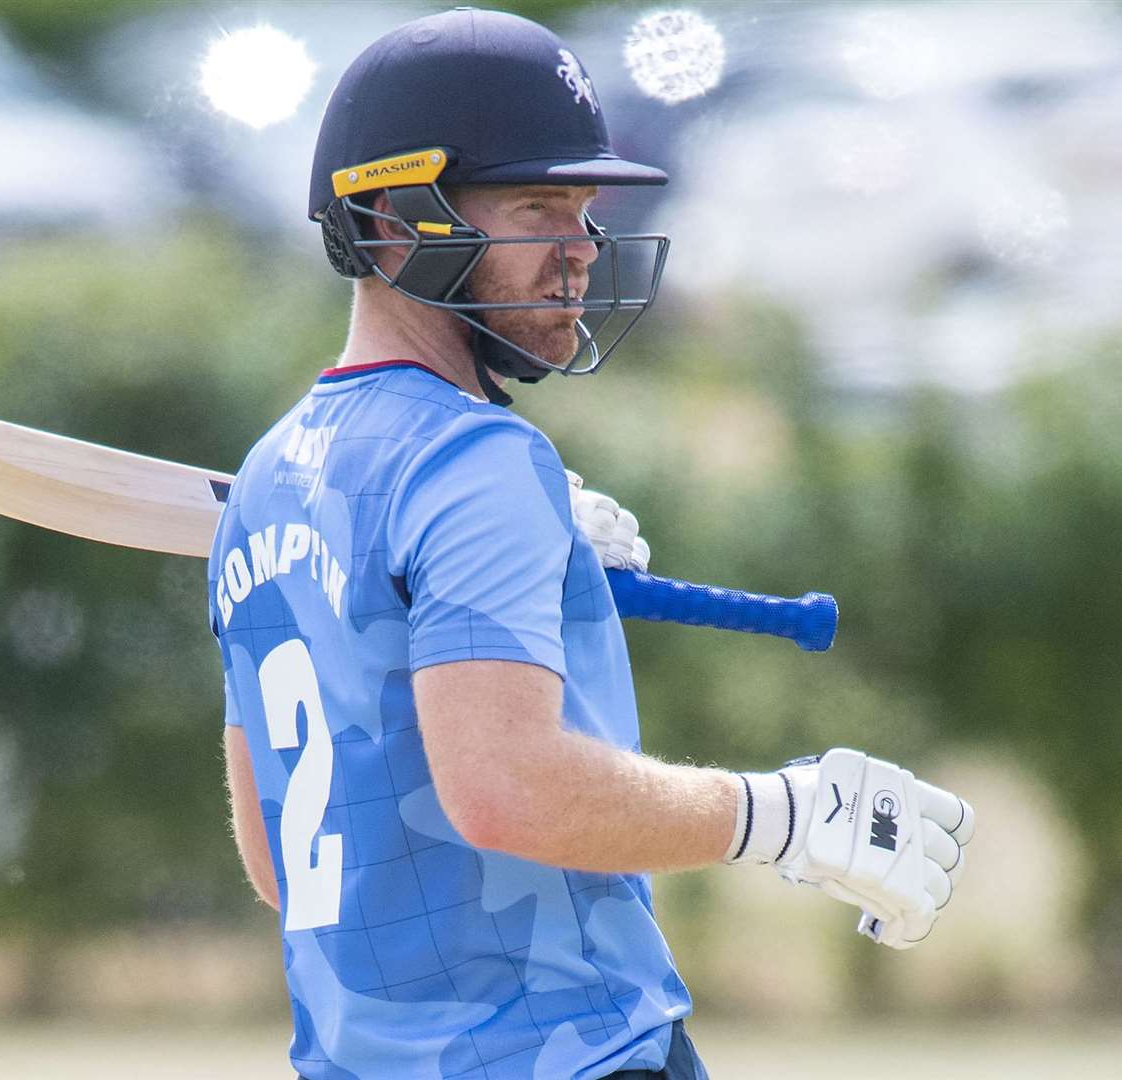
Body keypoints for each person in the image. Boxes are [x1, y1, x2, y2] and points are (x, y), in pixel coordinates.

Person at [206, 9, 975, 1078]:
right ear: (389, 222)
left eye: (582, 209)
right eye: (535, 207)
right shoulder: (477, 466)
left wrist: (513, 563)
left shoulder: (266, 481)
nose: (579, 250)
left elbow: (281, 861)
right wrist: (783, 814)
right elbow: (505, 788)